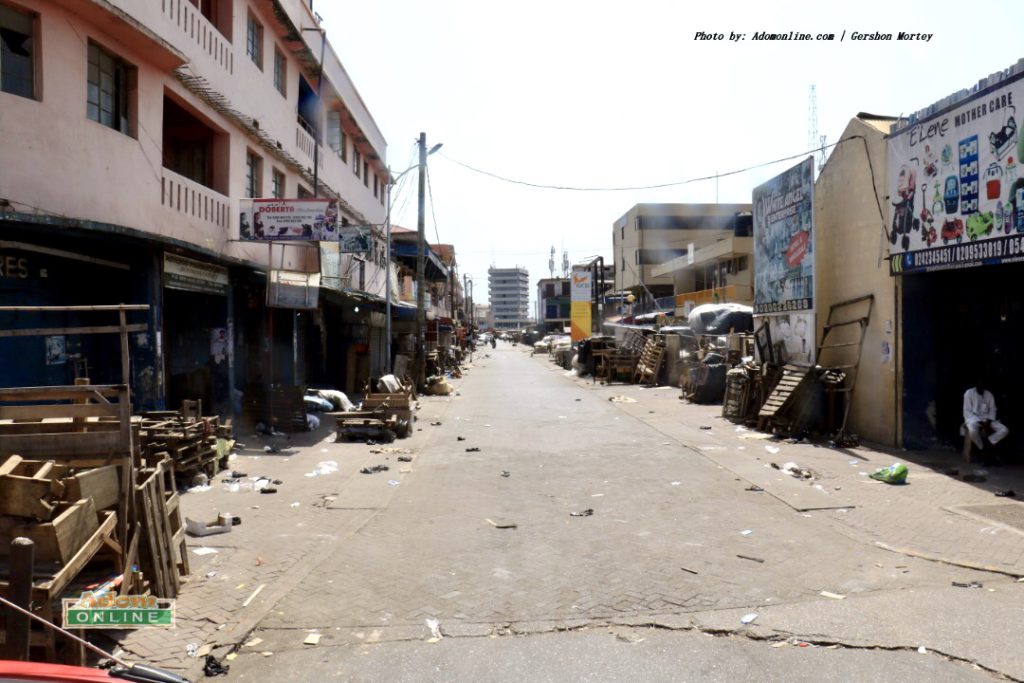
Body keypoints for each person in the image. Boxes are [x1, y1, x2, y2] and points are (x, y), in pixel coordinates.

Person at [962, 379, 1009, 452]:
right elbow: (967, 411)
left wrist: (988, 422)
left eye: (982, 384)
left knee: (1004, 430)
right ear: (976, 384)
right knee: (972, 431)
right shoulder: (969, 393)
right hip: (973, 420)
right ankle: (981, 448)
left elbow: (993, 410)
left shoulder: (989, 394)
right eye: (979, 384)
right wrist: (980, 422)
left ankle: (989, 442)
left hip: (987, 420)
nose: (981, 386)